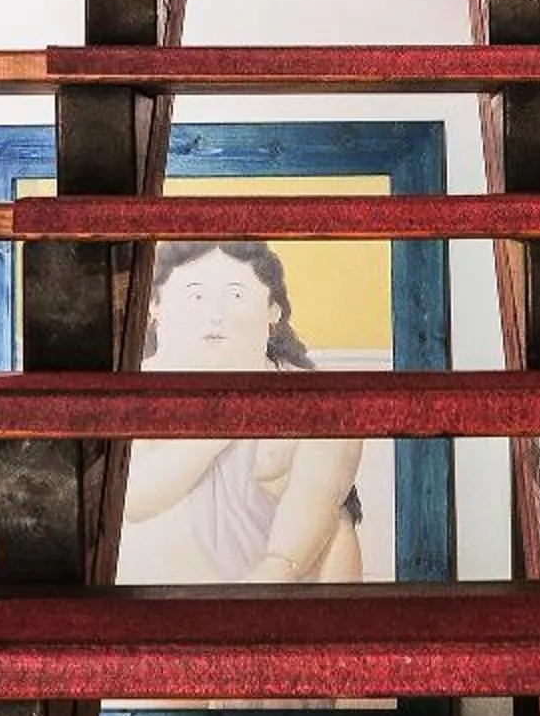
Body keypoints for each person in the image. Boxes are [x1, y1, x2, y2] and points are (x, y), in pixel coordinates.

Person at [123, 239, 364, 583]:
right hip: (170, 586)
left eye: (236, 295)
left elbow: (321, 497)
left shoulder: (308, 395)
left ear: (273, 311)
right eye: (196, 296)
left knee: (334, 521)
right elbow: (134, 498)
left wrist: (274, 573)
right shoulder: (136, 387)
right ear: (155, 306)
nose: (215, 315)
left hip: (280, 575)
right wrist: (225, 422)